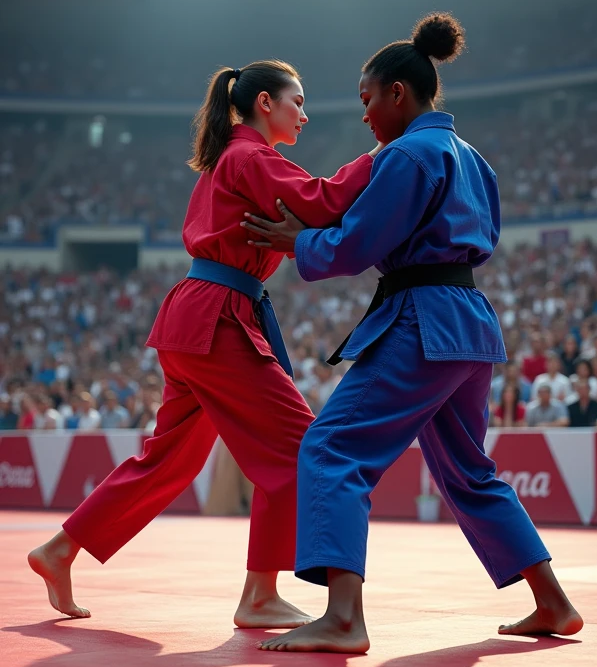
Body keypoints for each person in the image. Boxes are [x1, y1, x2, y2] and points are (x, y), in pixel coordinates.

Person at [243, 14, 582, 653]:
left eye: (368, 99)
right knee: (469, 471)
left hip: (421, 318)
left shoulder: (407, 154)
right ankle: (554, 603)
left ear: (399, 92)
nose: (365, 115)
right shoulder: (474, 159)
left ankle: (344, 617)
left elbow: (359, 242)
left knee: (331, 448)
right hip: (471, 324)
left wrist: (299, 241)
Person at [28, 59, 379, 623]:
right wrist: (377, 160)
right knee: (300, 447)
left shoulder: (228, 161)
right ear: (265, 103)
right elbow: (321, 202)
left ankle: (61, 549)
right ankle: (260, 594)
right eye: (297, 102)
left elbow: (293, 223)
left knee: (167, 461)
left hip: (197, 317)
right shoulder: (250, 157)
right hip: (220, 320)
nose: (305, 115)